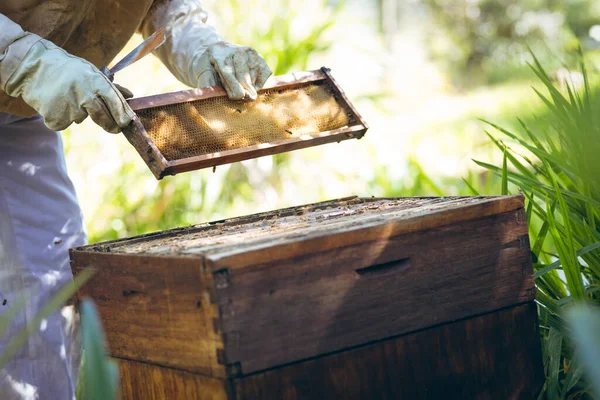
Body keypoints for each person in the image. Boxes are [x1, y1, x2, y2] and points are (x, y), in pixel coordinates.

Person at [0, 1, 272, 398]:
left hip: (17, 115)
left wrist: (201, 46)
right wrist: (30, 62)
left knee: (46, 279)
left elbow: (161, 5)